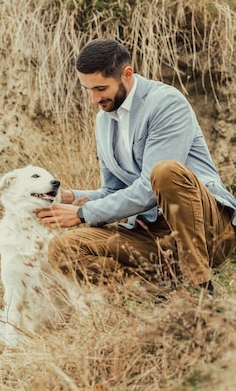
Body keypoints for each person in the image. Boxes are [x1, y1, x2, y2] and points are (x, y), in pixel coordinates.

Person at [36, 38, 236, 293]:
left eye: (100, 88)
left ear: (127, 74)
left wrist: (82, 214)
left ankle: (200, 287)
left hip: (207, 230)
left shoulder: (166, 103)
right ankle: (156, 290)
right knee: (64, 248)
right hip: (153, 236)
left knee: (165, 172)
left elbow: (150, 188)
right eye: (88, 89)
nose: (94, 99)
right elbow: (112, 192)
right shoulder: (104, 120)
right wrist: (72, 198)